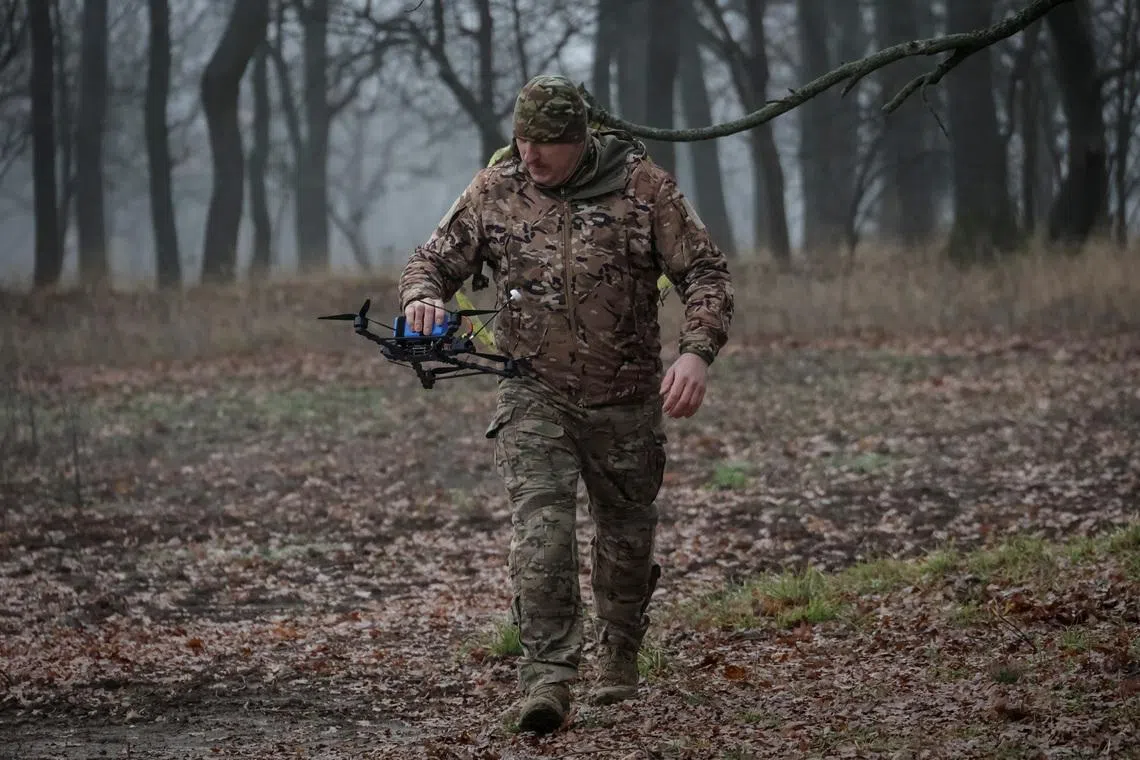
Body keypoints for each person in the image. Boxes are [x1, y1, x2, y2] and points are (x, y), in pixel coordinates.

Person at [398, 74, 733, 734]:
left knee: (625, 537)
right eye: (522, 141)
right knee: (542, 533)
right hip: (533, 393)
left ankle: (619, 659)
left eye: (546, 145)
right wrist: (420, 299)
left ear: (582, 140)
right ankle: (546, 677)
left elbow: (705, 273)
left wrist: (696, 351)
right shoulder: (495, 189)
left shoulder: (644, 187)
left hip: (627, 398)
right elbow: (431, 262)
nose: (531, 156)